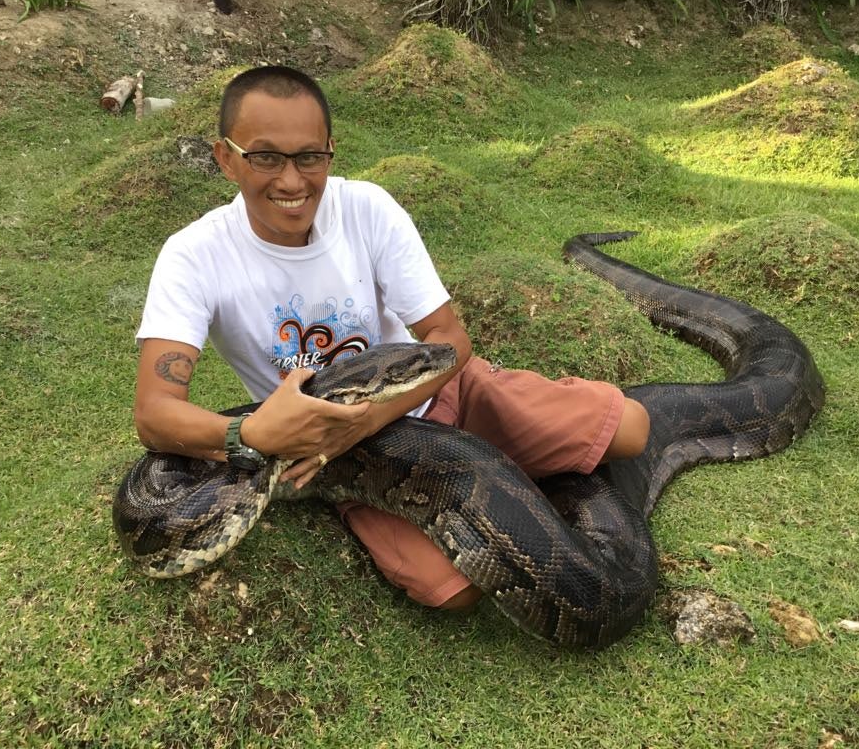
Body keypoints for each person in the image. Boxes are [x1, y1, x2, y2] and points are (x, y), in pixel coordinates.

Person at [134, 65, 650, 612]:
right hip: (331, 450)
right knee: (453, 590)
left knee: (633, 429)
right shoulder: (193, 257)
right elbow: (154, 414)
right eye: (265, 157)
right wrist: (254, 434)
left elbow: (448, 342)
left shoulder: (367, 210)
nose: (291, 181)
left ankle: (503, 465)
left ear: (330, 152)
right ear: (226, 158)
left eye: (309, 157)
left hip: (430, 393)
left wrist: (364, 421)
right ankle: (508, 472)